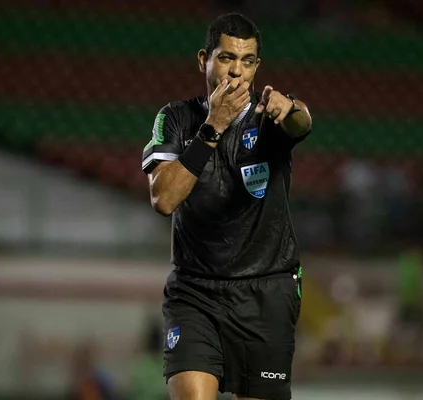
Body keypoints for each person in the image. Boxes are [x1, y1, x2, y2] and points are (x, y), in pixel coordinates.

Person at [142, 13, 312, 400]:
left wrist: (294, 107)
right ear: (204, 60)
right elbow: (163, 199)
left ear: (256, 67)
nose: (236, 72)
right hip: (196, 293)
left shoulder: (269, 116)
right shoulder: (176, 119)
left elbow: (300, 123)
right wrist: (212, 128)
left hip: (266, 291)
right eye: (226, 58)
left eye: (247, 61)